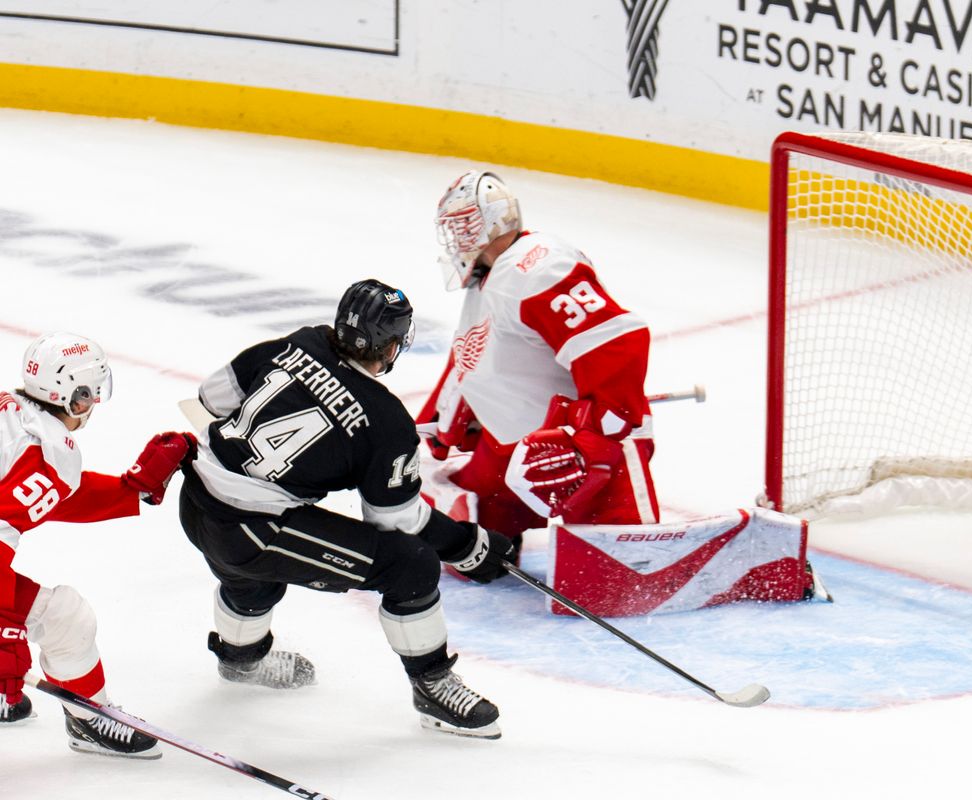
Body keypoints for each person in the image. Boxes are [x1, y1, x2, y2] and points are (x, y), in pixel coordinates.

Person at [177, 278, 513, 739]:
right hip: (253, 531)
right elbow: (394, 522)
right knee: (410, 567)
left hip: (194, 497)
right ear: (389, 344)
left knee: (252, 571)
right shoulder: (386, 421)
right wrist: (463, 545)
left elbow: (211, 397)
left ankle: (241, 661)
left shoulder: (301, 341)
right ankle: (433, 686)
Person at [418, 170, 659, 558]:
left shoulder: (536, 266)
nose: (456, 238)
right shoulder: (488, 280)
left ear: (492, 221)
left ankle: (624, 542)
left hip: (577, 444)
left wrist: (596, 434)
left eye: (463, 224)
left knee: (616, 571)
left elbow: (615, 342)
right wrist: (443, 419)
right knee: (467, 541)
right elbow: (472, 359)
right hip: (511, 447)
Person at [0, 332, 196, 759]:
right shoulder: (46, 449)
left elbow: (42, 495)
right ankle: (90, 719)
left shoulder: (10, 412)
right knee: (65, 617)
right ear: (78, 397)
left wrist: (132, 492)